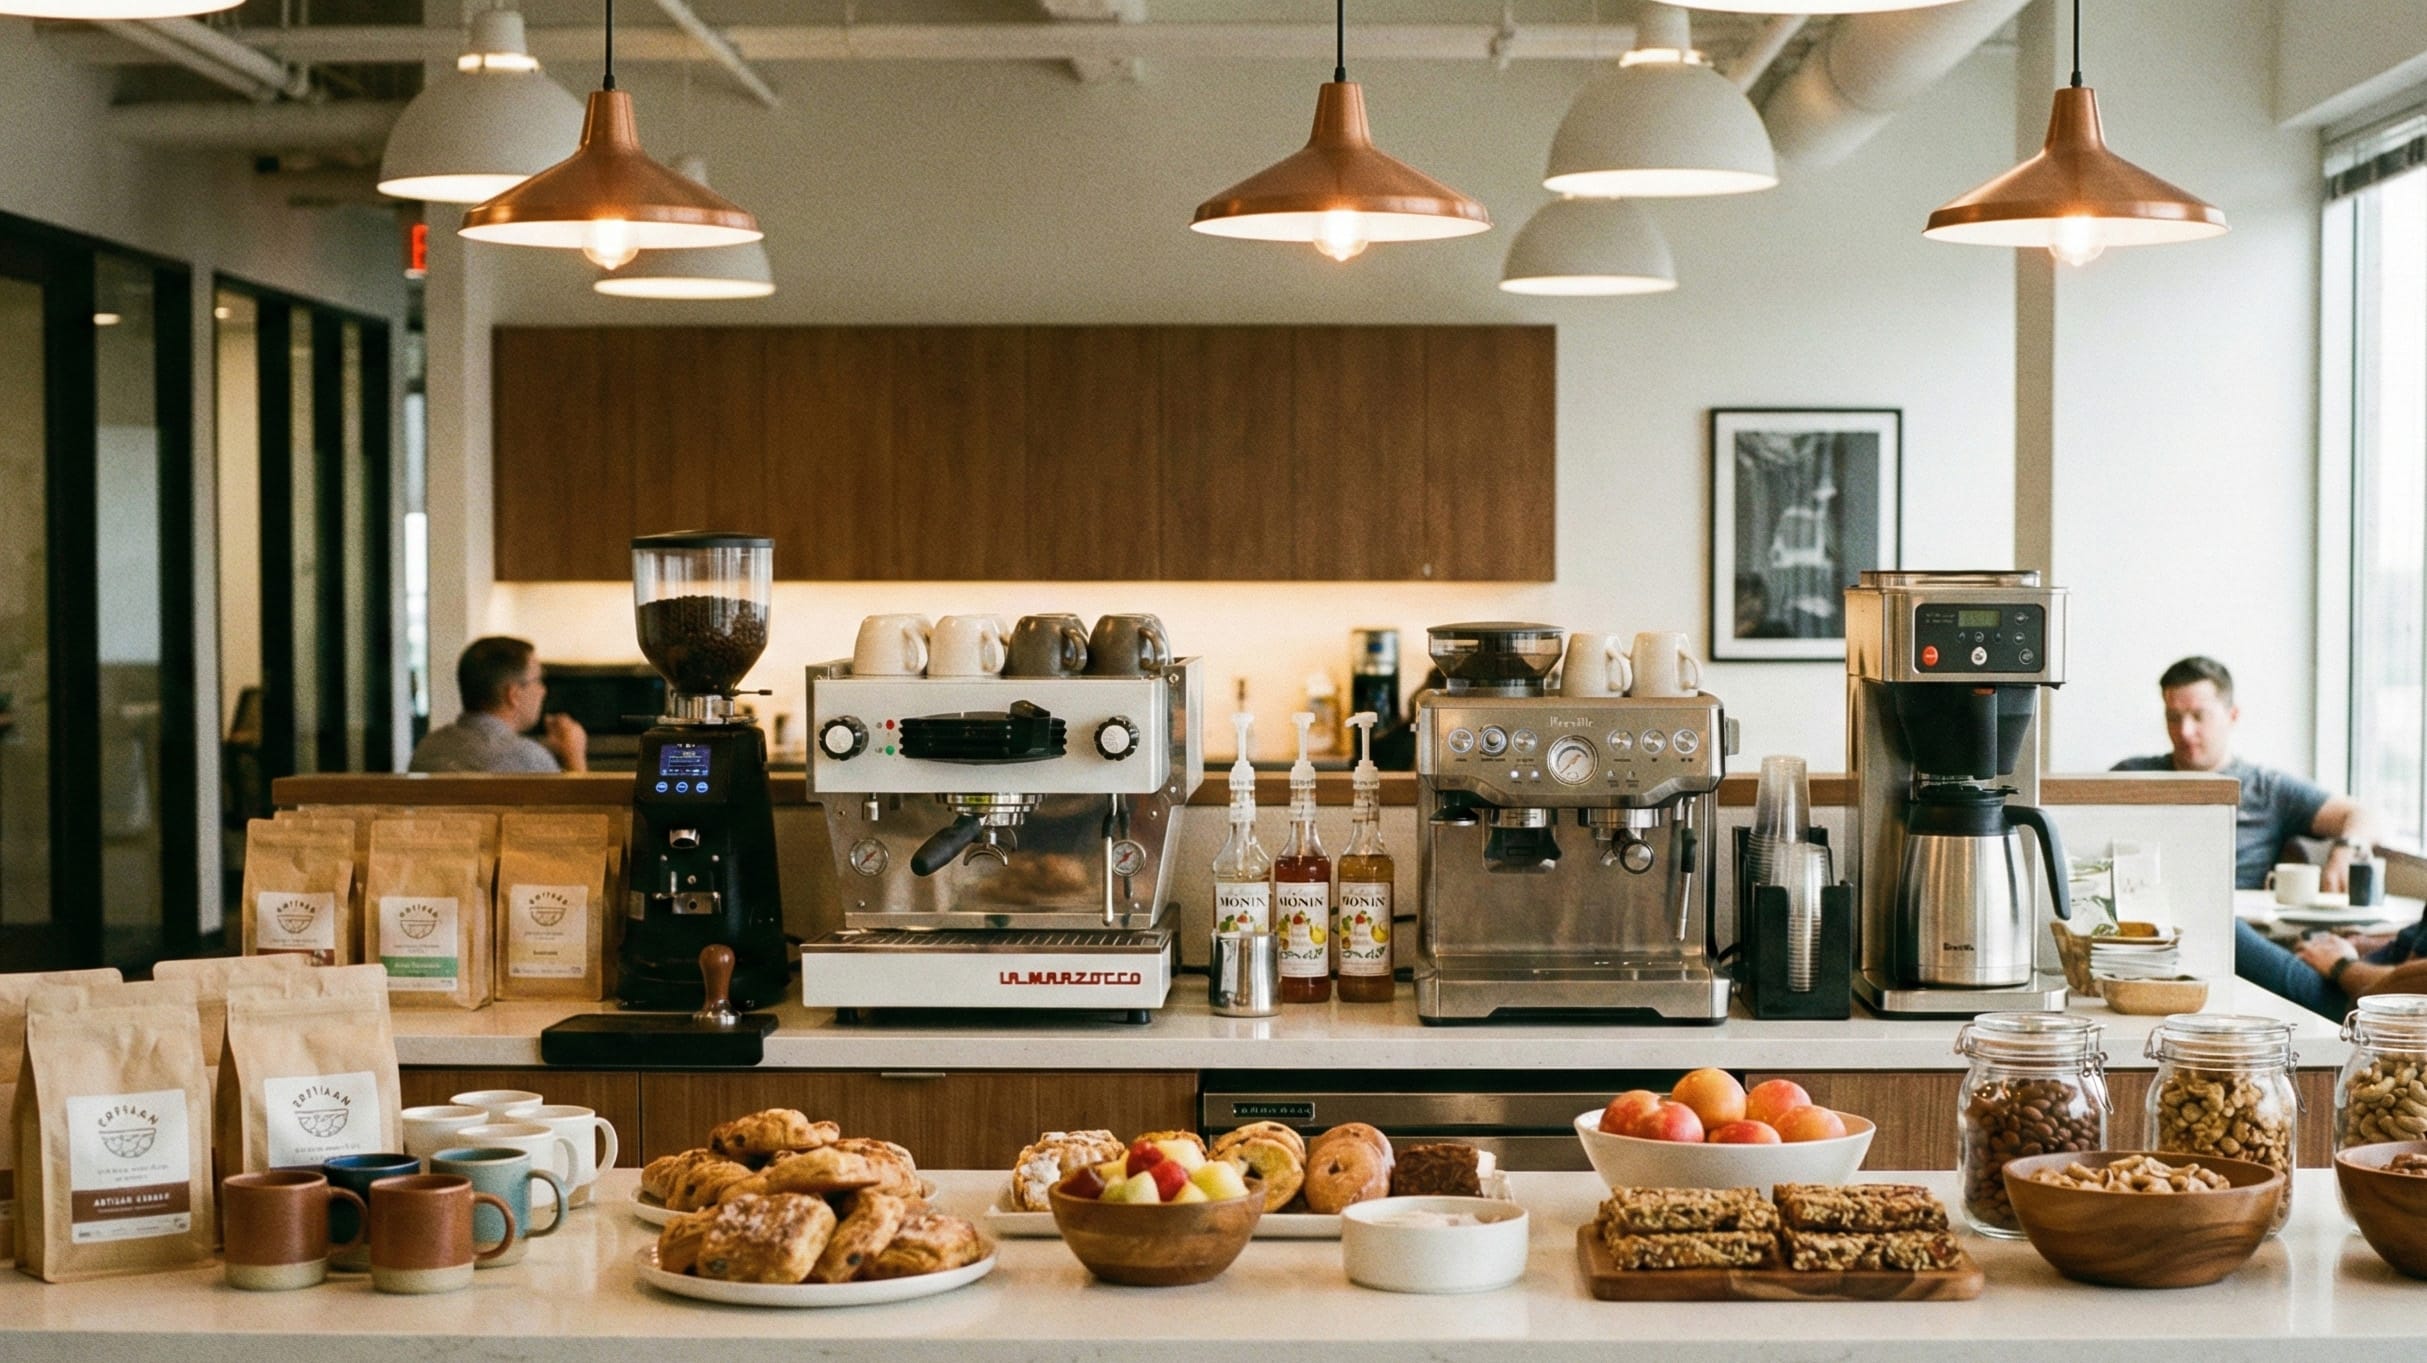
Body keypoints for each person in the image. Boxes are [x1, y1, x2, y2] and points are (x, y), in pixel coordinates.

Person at [2112, 655, 2385, 1018]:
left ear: (2232, 715)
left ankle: (2336, 1009)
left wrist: (2346, 850)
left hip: (2236, 931)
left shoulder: (2266, 788)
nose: (2185, 731)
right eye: (2174, 717)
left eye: (2198, 716)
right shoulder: (2132, 776)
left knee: (2219, 925)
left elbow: (2365, 814)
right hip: (2148, 929)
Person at [408, 636, 586, 774]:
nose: (543, 690)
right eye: (538, 680)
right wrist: (574, 757)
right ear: (514, 695)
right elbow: (580, 818)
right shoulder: (529, 758)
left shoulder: (428, 747)